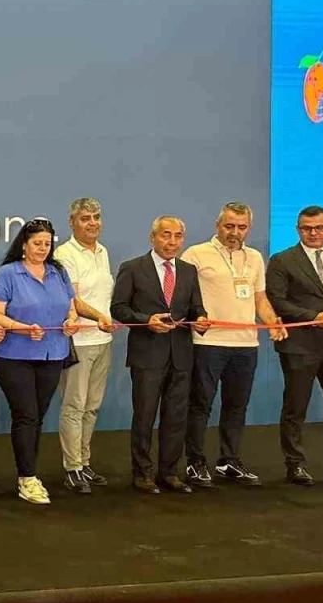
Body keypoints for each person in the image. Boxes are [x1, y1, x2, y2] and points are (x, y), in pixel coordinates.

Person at [181, 202, 286, 488]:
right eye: (229, 226)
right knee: (200, 405)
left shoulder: (255, 257)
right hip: (208, 343)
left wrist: (272, 322)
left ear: (248, 228)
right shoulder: (196, 254)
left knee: (236, 406)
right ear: (218, 225)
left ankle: (229, 460)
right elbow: (183, 296)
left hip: (246, 345)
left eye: (241, 227)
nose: (234, 232)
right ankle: (195, 462)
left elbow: (259, 298)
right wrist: (195, 317)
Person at [111, 216, 210, 495]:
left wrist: (201, 319)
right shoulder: (132, 268)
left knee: (176, 418)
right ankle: (142, 473)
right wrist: (146, 320)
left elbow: (196, 308)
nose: (172, 242)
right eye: (166, 235)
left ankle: (169, 472)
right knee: (144, 416)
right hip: (147, 355)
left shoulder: (188, 270)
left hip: (181, 355)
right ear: (152, 237)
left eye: (178, 236)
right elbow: (118, 308)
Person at [0, 217, 81, 505]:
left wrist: (71, 322)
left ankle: (30, 473)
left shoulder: (58, 272)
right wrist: (21, 328)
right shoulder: (8, 273)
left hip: (53, 354)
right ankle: (27, 478)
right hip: (15, 356)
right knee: (26, 415)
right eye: (37, 243)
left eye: (47, 244)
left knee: (37, 416)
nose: (42, 248)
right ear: (24, 245)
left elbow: (71, 308)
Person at [265, 205, 323, 486]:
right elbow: (278, 300)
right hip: (300, 345)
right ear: (298, 229)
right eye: (306, 228)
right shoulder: (282, 260)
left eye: (319, 227)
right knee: (296, 406)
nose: (313, 233)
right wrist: (314, 317)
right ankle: (295, 465)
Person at [53, 198, 117, 494]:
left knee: (91, 407)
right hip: (77, 342)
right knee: (74, 406)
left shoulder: (102, 252)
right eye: (85, 218)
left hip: (103, 341)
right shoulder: (64, 254)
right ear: (72, 223)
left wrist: (105, 320)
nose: (92, 223)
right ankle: (72, 467)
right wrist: (100, 317)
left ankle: (85, 461)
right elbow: (73, 300)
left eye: (96, 217)